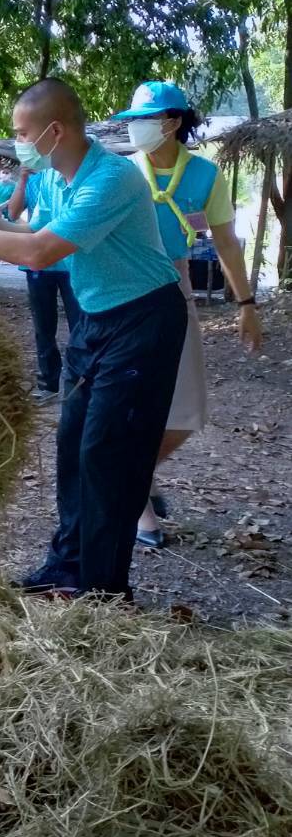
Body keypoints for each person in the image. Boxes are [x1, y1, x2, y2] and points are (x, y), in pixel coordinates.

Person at [0, 77, 185, 601]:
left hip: (143, 321)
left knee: (108, 454)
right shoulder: (55, 180)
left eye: (22, 132)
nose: (18, 142)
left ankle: (104, 590)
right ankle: (67, 567)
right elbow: (30, 232)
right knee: (73, 448)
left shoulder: (110, 180)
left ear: (55, 130)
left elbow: (39, 254)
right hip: (96, 319)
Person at [111, 81, 263, 548]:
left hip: (175, 286)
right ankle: (133, 499)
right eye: (133, 120)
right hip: (123, 286)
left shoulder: (204, 175)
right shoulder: (120, 173)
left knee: (186, 409)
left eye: (146, 119)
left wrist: (246, 303)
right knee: (130, 398)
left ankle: (136, 472)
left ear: (173, 122)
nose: (136, 129)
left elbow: (226, 243)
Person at [7, 165, 83, 401]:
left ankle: (78, 384)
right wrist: (22, 180)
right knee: (43, 327)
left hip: (71, 263)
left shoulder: (74, 173)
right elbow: (12, 213)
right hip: (39, 264)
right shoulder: (34, 177)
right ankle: (48, 384)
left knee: (79, 326)